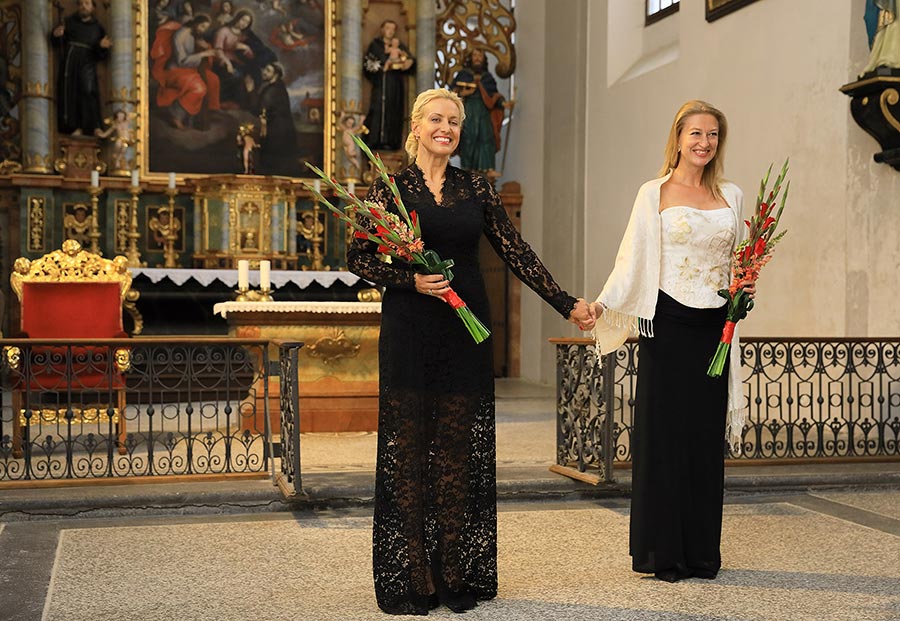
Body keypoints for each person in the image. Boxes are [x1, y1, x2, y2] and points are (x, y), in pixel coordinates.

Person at [347, 88, 596, 615]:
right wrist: (412, 280)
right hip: (412, 329)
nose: (447, 128)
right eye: (436, 119)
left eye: (455, 121)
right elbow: (357, 256)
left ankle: (456, 571)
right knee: (410, 451)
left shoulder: (475, 187)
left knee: (459, 451)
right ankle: (415, 575)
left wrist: (567, 303)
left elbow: (516, 252)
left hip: (466, 331)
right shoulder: (389, 188)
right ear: (415, 126)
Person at [590, 100, 751, 583]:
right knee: (664, 438)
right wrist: (602, 303)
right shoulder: (653, 192)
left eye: (713, 135)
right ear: (678, 138)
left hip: (714, 328)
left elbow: (740, 261)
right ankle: (662, 554)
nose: (704, 143)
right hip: (666, 324)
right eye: (695, 134)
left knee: (702, 440)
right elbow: (631, 258)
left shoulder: (732, 195)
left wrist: (746, 288)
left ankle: (701, 552)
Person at [51, 0, 112, 136]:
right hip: (70, 62)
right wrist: (57, 35)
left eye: (87, 3)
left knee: (88, 90)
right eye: (81, 3)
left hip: (87, 62)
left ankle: (94, 126)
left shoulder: (97, 27)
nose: (83, 6)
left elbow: (101, 53)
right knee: (71, 93)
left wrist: (102, 46)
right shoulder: (69, 22)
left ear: (93, 7)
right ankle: (75, 127)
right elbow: (58, 42)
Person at [150, 14, 220, 130]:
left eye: (205, 28)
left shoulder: (193, 34)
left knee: (213, 79)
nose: (203, 30)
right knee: (199, 88)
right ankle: (176, 115)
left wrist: (205, 47)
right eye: (202, 26)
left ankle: (206, 116)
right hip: (175, 71)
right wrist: (203, 54)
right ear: (196, 23)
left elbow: (195, 48)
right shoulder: (180, 35)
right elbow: (182, 61)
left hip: (189, 69)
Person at [451, 48, 505, 174]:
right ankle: (467, 169)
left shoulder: (488, 77)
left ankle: (488, 169)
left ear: (483, 59)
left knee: (486, 137)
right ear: (470, 58)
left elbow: (494, 96)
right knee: (468, 137)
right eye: (475, 55)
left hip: (484, 110)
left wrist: (503, 103)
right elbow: (453, 92)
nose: (477, 58)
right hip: (468, 109)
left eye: (479, 55)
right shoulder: (463, 74)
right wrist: (463, 93)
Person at [363, 20, 415, 151]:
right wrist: (385, 64)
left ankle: (392, 141)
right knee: (379, 108)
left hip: (395, 84)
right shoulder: (376, 45)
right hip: (381, 82)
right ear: (382, 29)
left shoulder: (399, 46)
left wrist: (408, 63)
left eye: (393, 28)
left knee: (394, 109)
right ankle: (376, 140)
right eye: (388, 28)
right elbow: (369, 65)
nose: (390, 31)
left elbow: (409, 60)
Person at [249, 62, 299, 176]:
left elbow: (259, 109)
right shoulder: (276, 87)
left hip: (276, 131)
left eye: (268, 71)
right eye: (265, 69)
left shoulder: (273, 90)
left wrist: (251, 91)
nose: (264, 72)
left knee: (273, 164)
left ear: (276, 74)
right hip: (278, 129)